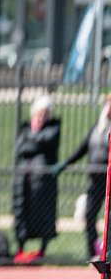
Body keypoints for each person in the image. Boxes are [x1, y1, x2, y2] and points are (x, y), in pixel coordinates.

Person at [54, 92, 111, 260]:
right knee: (90, 214)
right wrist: (64, 164)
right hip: (95, 180)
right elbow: (82, 149)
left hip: (109, 180)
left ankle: (108, 254)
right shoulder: (98, 127)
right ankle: (93, 253)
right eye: (107, 103)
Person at [11, 95, 61, 264]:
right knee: (21, 211)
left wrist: (32, 139)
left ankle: (42, 249)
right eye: (39, 113)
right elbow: (20, 147)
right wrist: (35, 140)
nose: (41, 117)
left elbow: (46, 141)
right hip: (24, 180)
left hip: (43, 181)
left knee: (44, 213)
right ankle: (20, 249)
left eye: (45, 113)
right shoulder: (25, 128)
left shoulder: (54, 127)